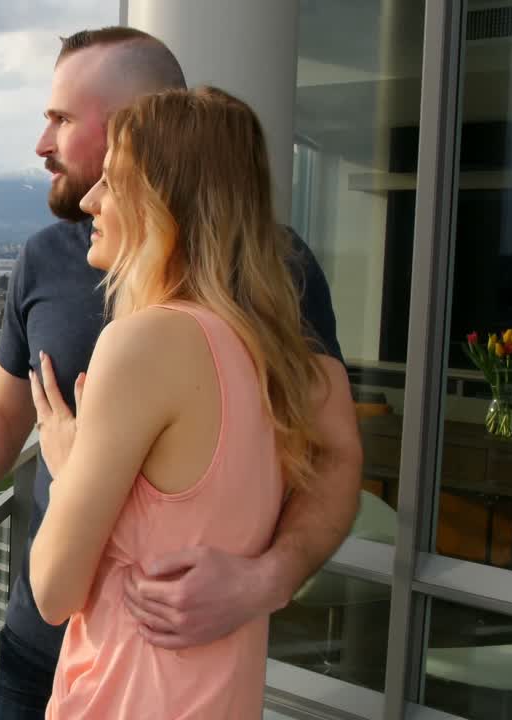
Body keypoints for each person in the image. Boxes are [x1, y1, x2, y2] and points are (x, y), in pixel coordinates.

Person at [0, 26, 364, 719]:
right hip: (59, 653)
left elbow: (333, 454)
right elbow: (6, 413)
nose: (42, 144)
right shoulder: (46, 259)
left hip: (141, 664)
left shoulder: (266, 277)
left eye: (63, 119)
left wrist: (268, 579)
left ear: (143, 127)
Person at [32, 85, 324, 718]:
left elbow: (53, 591)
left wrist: (67, 464)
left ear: (162, 204)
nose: (89, 201)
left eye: (111, 181)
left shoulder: (146, 342)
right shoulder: (268, 350)